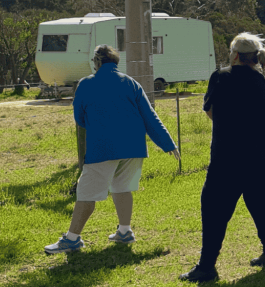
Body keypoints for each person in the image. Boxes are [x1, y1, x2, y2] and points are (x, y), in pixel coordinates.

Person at [180, 33, 265, 283]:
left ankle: (206, 267)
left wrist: (227, 125)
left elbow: (210, 111)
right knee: (263, 204)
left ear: (236, 55)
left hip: (228, 156)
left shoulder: (220, 77)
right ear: (256, 58)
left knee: (214, 207)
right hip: (264, 154)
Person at [44, 44, 180, 254]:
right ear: (116, 62)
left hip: (102, 148)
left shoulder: (86, 84)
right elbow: (149, 116)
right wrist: (168, 143)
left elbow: (79, 118)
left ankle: (72, 239)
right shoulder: (131, 83)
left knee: (86, 194)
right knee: (123, 188)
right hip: (134, 147)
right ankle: (124, 232)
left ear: (97, 62)